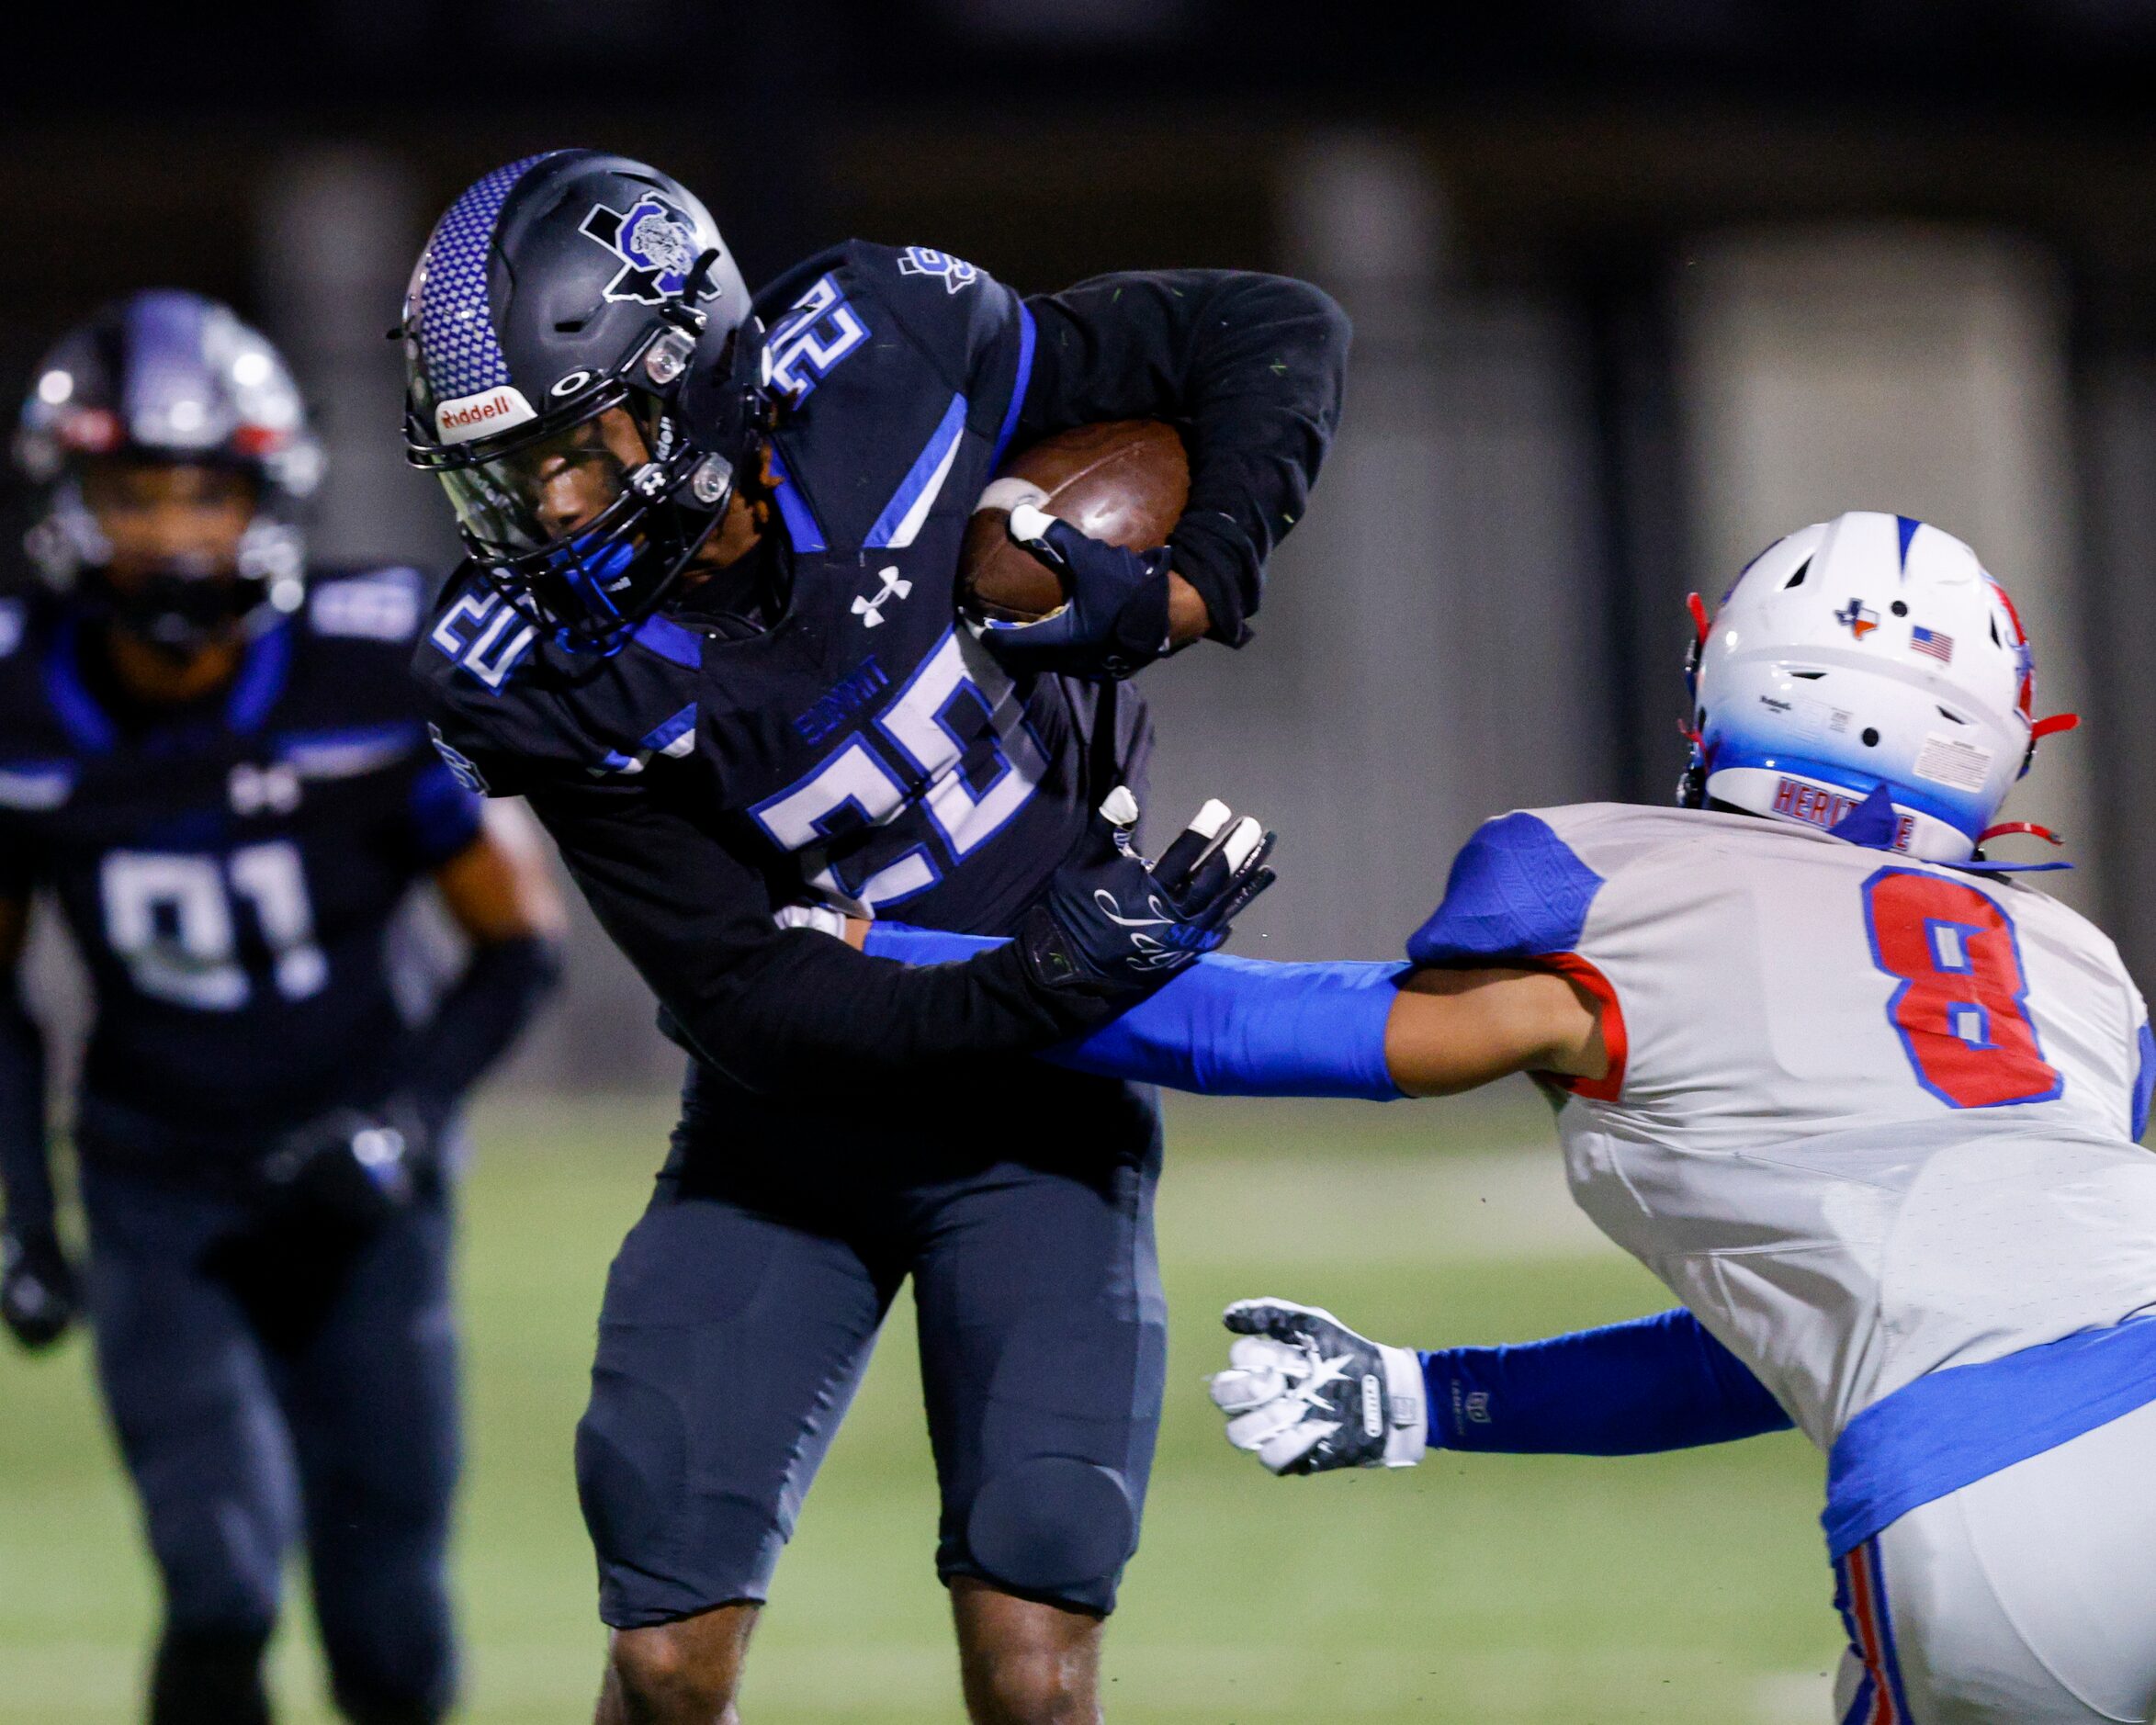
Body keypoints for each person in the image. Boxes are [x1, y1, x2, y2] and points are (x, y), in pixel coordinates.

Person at [869, 511, 2156, 1723]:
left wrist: (873, 958)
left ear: (1732, 685)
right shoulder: (2080, 969)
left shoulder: (1606, 878)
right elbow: (1823, 1328)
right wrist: (1428, 1398)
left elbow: (1265, 1029)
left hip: (1995, 1497)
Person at [400, 150, 1338, 1723]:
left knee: (1035, 1653)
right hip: (793, 1132)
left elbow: (1271, 329)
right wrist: (1036, 980)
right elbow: (751, 995)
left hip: (1041, 1118)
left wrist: (1191, 586)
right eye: (506, 475)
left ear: (693, 385)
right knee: (663, 1645)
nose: (547, 510)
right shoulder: (535, 672)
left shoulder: (882, 349)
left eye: (579, 450)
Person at [0, 289, 564, 1725]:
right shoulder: (24, 696)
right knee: (223, 1583)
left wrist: (403, 1121)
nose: (174, 532)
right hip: (158, 1194)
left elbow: (519, 948)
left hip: (358, 1188)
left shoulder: (369, 665)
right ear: (71, 495)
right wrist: (28, 1207)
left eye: (208, 492)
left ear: (270, 494)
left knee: (388, 1631)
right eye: (138, 491)